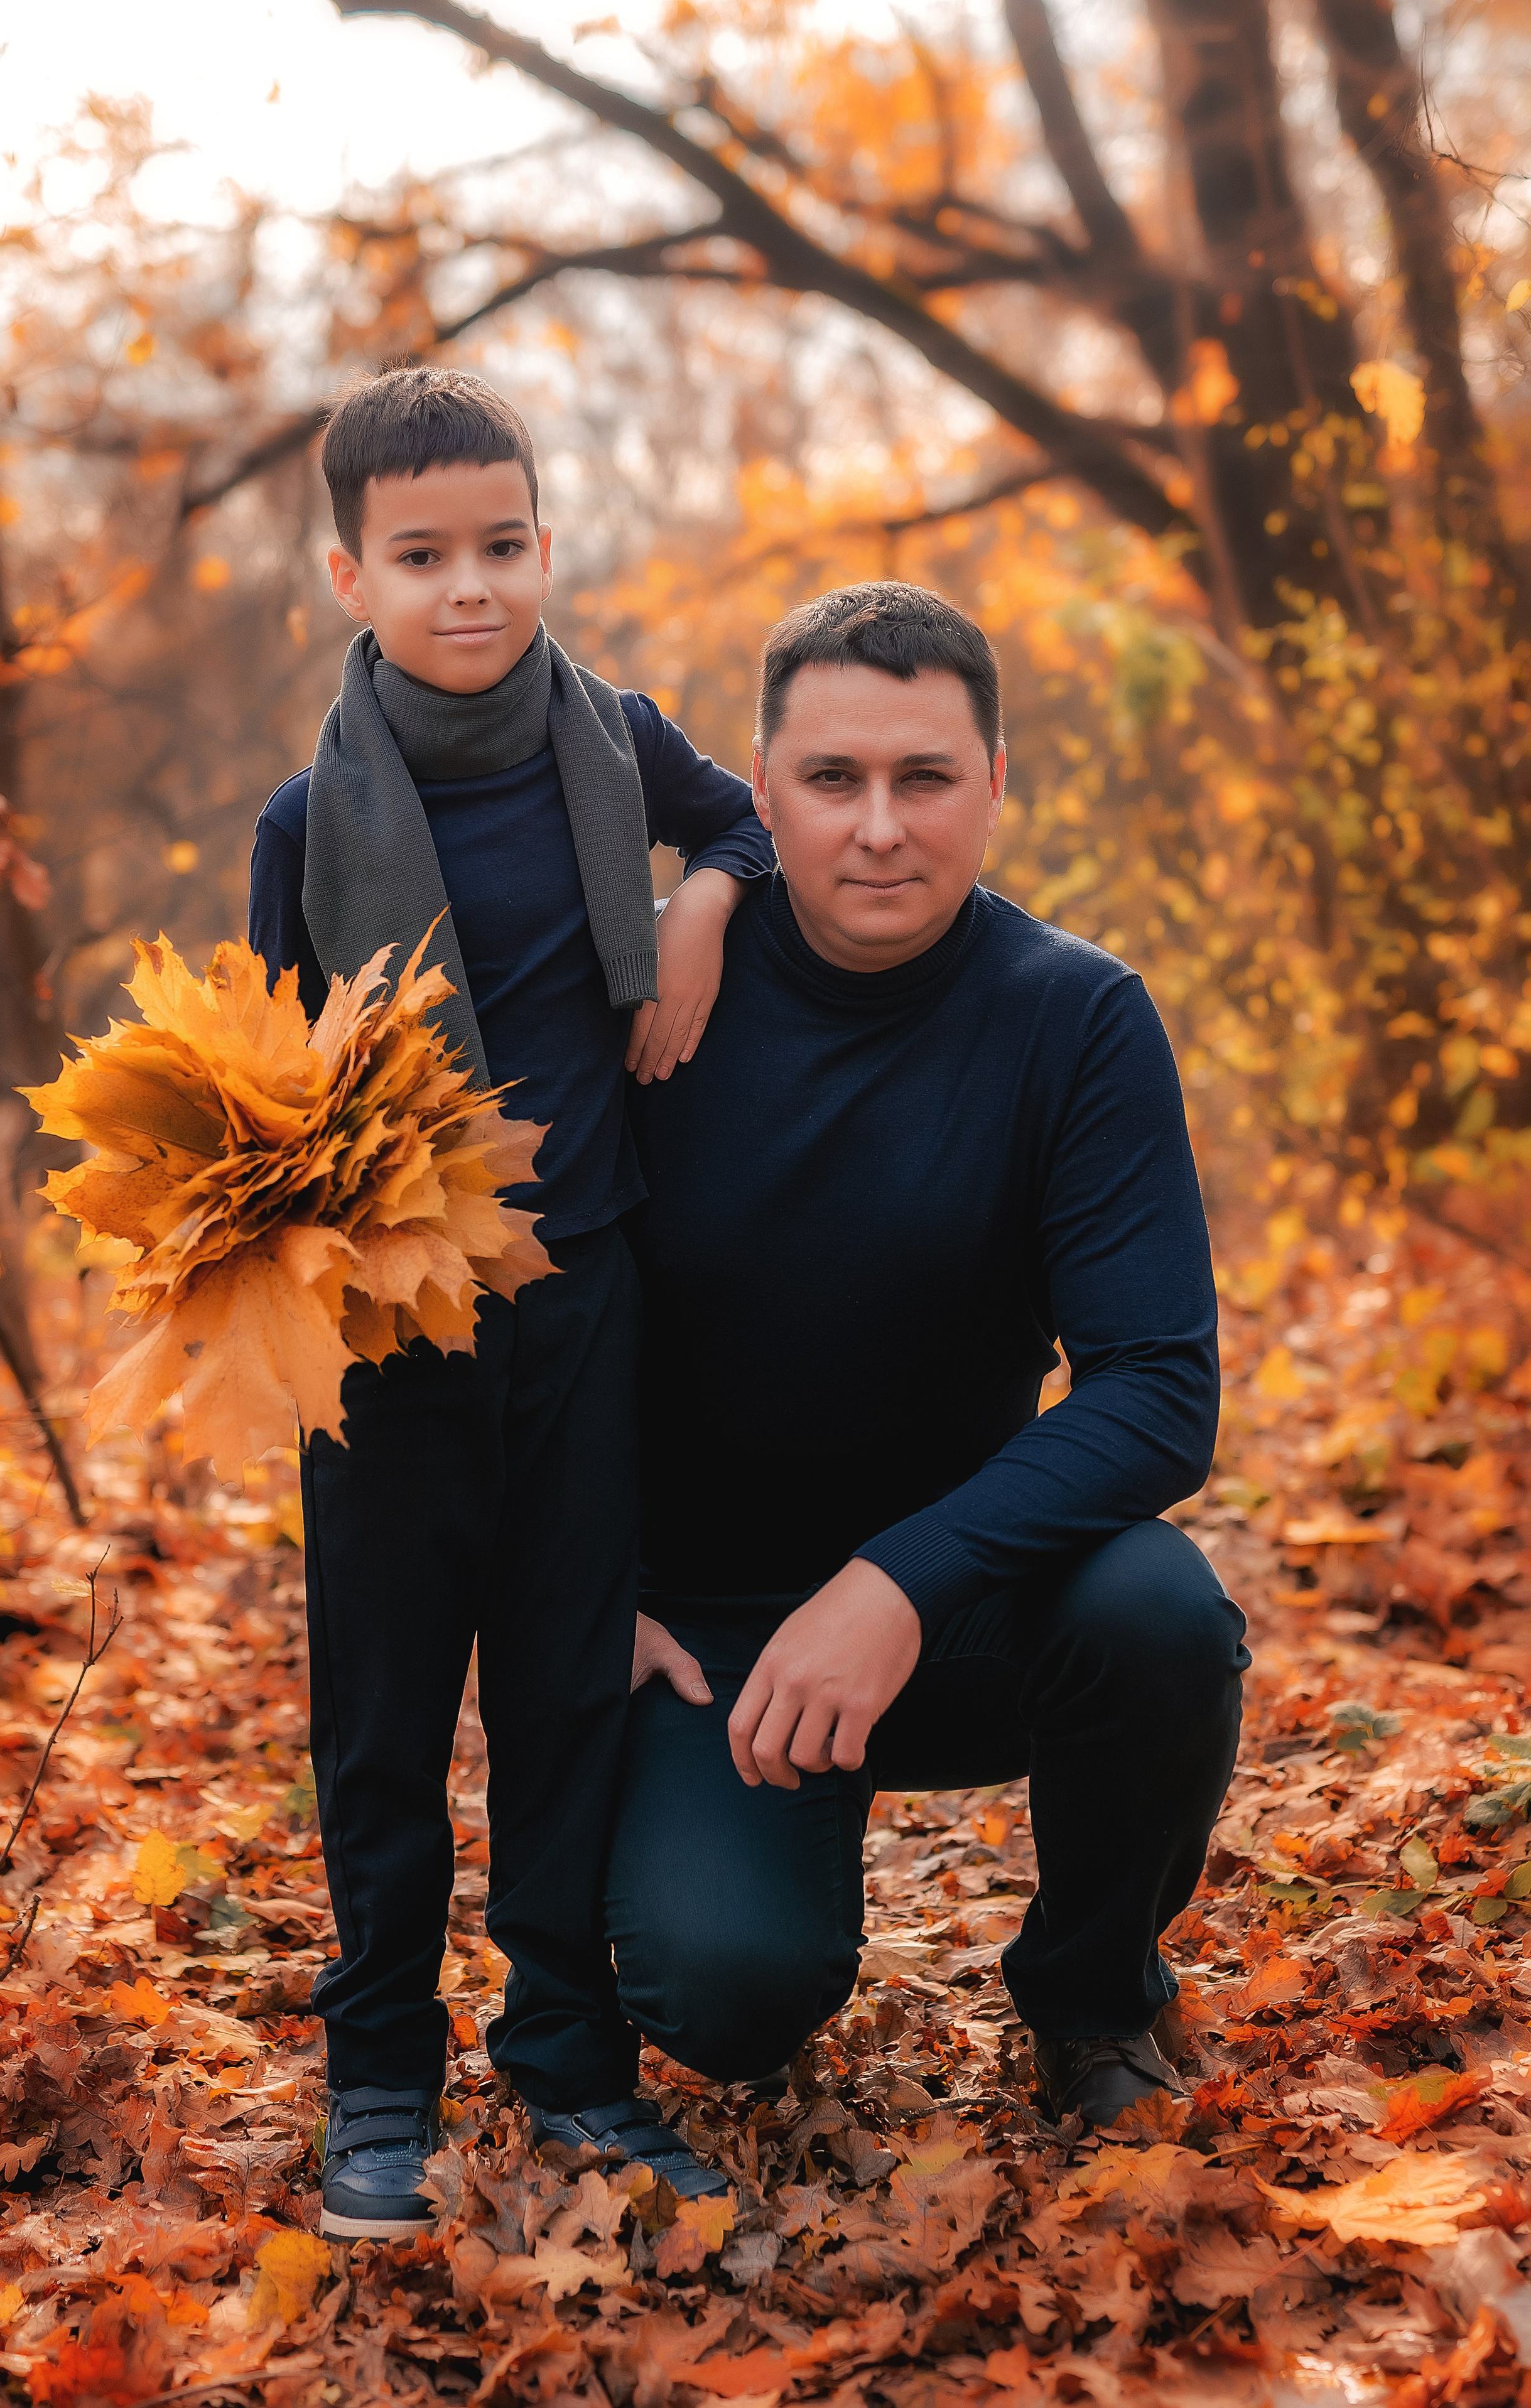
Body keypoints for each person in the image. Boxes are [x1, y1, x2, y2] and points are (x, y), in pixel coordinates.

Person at [614, 582, 1248, 2153]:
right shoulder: (646, 1006)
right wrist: (568, 1585)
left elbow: (1157, 1387)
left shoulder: (1074, 1018)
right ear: (760, 799)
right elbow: (497, 1334)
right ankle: (736, 1899)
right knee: (725, 2001)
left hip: (956, 1607)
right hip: (696, 1636)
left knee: (1161, 1612)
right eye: (832, 781)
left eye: (925, 779)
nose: (879, 828)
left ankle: (1093, 1994)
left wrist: (898, 1580)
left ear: (993, 786)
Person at [248, 365, 774, 2237]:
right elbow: (268, 1091)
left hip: (587, 1304)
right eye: (420, 555)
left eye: (497, 546)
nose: (467, 586)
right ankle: (381, 2067)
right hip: (402, 1333)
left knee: (565, 1685)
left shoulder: (619, 740)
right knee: (385, 1710)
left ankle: (568, 2053)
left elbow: (749, 829)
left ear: (544, 546)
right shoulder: (313, 821)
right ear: (347, 576)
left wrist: (697, 908)